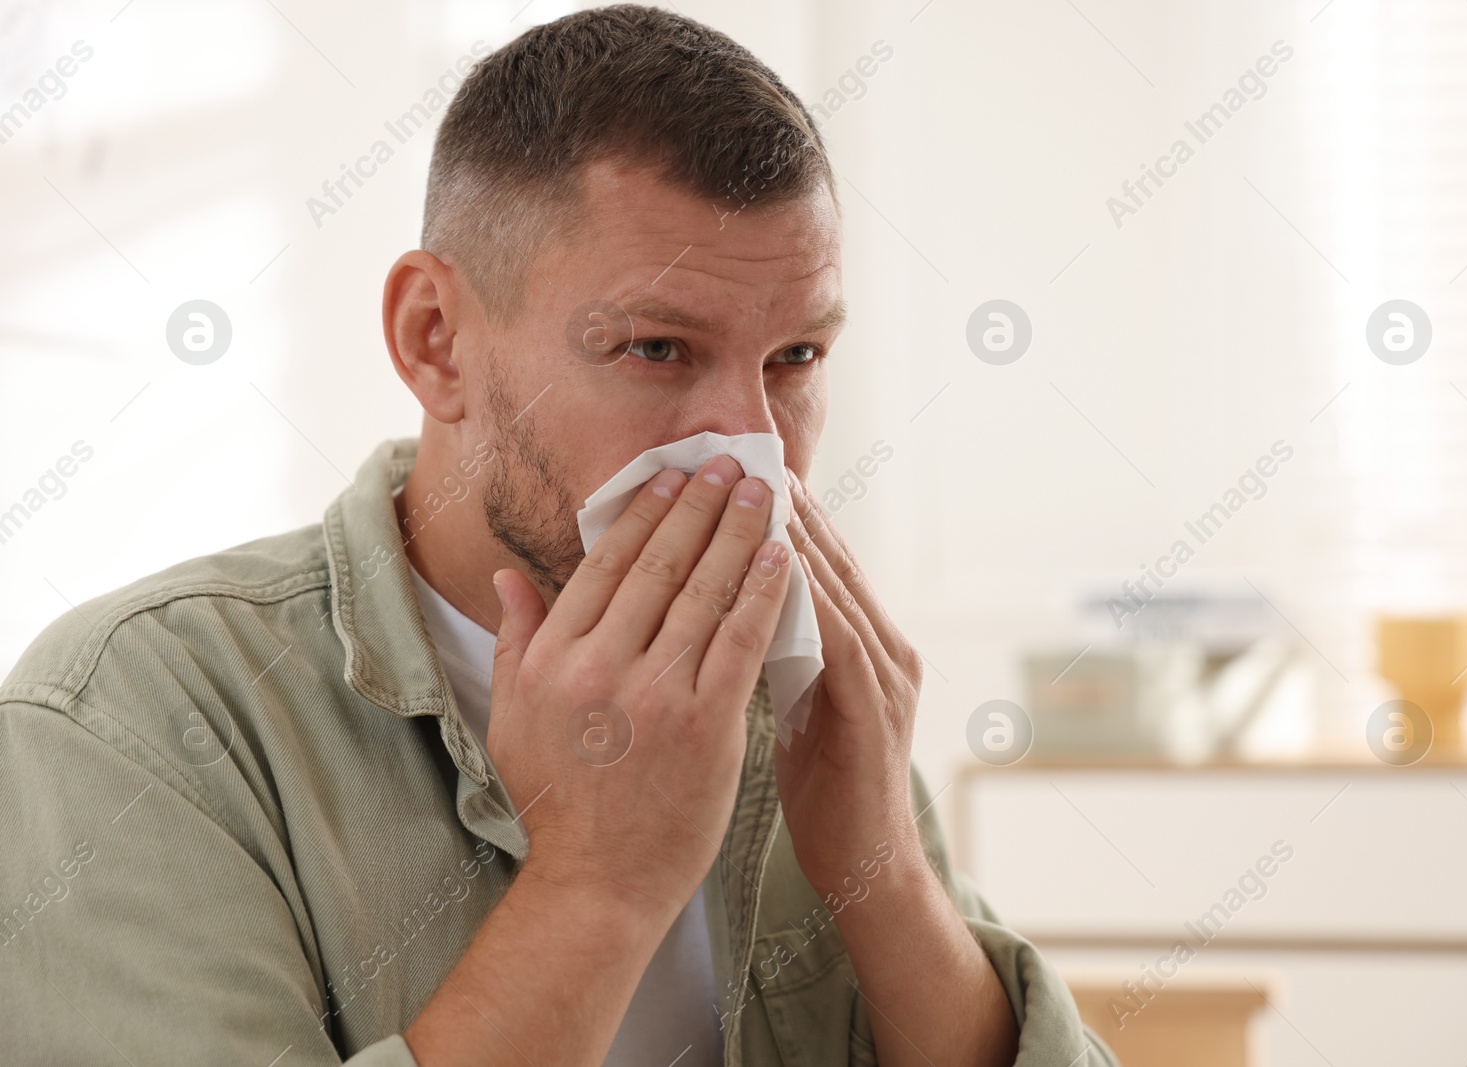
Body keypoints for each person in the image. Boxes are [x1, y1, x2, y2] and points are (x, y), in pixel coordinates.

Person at [0, 7, 1114, 1065]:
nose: (748, 442)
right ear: (435, 340)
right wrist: (598, 880)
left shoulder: (803, 702)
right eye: (656, 348)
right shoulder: (126, 726)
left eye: (797, 358)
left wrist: (881, 867)